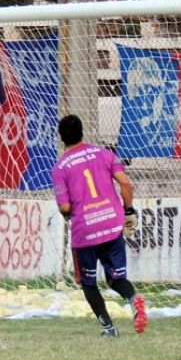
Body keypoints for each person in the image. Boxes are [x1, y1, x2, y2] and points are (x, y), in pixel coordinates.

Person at [51, 114, 148, 337]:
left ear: (61, 138)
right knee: (115, 278)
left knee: (88, 282)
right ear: (82, 131)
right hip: (112, 225)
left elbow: (65, 207)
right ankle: (134, 299)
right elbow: (125, 183)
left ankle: (109, 328)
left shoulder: (61, 167)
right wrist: (129, 210)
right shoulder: (104, 153)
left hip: (85, 231)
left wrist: (67, 211)